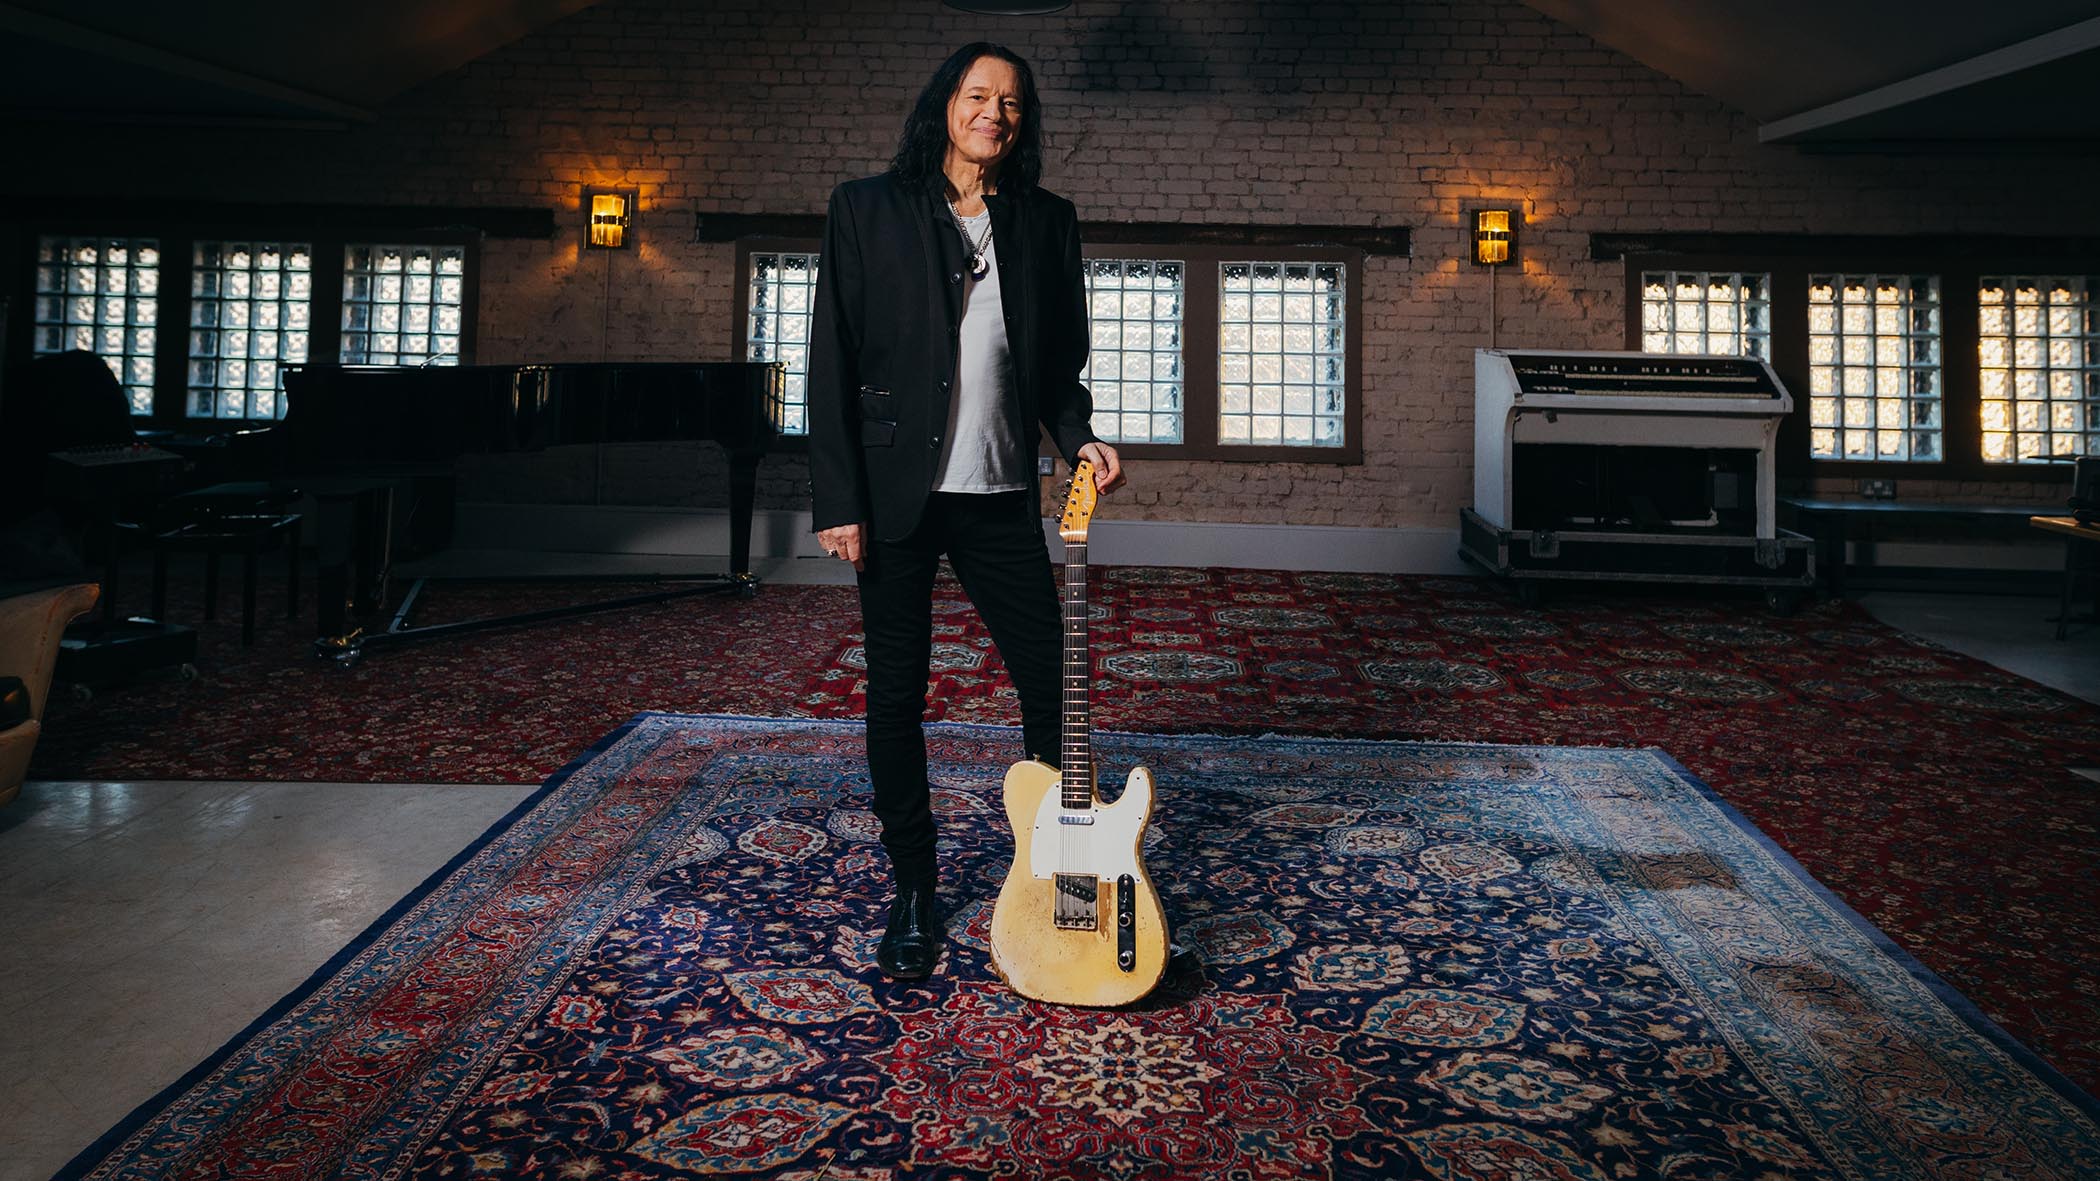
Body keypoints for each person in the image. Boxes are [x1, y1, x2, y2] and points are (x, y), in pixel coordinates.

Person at [806, 42, 1125, 980]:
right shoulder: (866, 208)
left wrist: (1083, 439)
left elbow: (1058, 368)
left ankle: (1066, 872)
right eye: (978, 95)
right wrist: (839, 499)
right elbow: (831, 358)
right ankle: (913, 888)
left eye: (1012, 104)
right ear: (944, 103)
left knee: (1055, 688)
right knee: (897, 696)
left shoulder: (1045, 222)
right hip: (894, 498)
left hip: (995, 496)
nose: (995, 112)